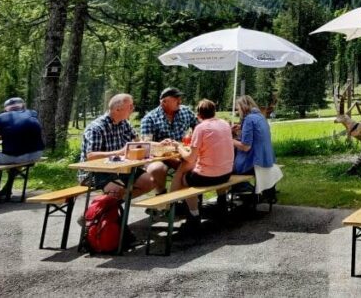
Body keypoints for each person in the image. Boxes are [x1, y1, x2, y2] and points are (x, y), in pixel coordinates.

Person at [79, 93, 164, 198]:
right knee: (116, 190)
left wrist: (160, 144)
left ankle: (111, 206)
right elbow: (91, 156)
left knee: (150, 182)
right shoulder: (96, 127)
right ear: (117, 110)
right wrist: (119, 152)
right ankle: (103, 210)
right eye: (130, 106)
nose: (133, 108)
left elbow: (139, 142)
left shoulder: (124, 123)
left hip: (121, 169)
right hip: (96, 172)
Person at [171, 99, 234, 229]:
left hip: (207, 178)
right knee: (211, 167)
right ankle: (222, 205)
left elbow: (190, 158)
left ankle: (192, 215)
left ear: (198, 114)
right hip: (226, 173)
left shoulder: (200, 128)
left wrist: (178, 147)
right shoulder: (225, 124)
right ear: (214, 111)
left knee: (184, 177)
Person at [0, 97, 44, 201]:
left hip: (13, 156)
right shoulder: (32, 113)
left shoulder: (1, 117)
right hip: (36, 154)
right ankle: (8, 187)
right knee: (15, 158)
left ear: (6, 109)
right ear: (23, 106)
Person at [232, 95, 274, 174]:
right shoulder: (260, 116)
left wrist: (230, 140)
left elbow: (245, 147)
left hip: (254, 164)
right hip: (267, 159)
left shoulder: (249, 119)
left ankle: (241, 186)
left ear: (243, 107)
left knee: (226, 170)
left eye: (238, 109)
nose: (238, 111)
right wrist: (241, 127)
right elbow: (256, 131)